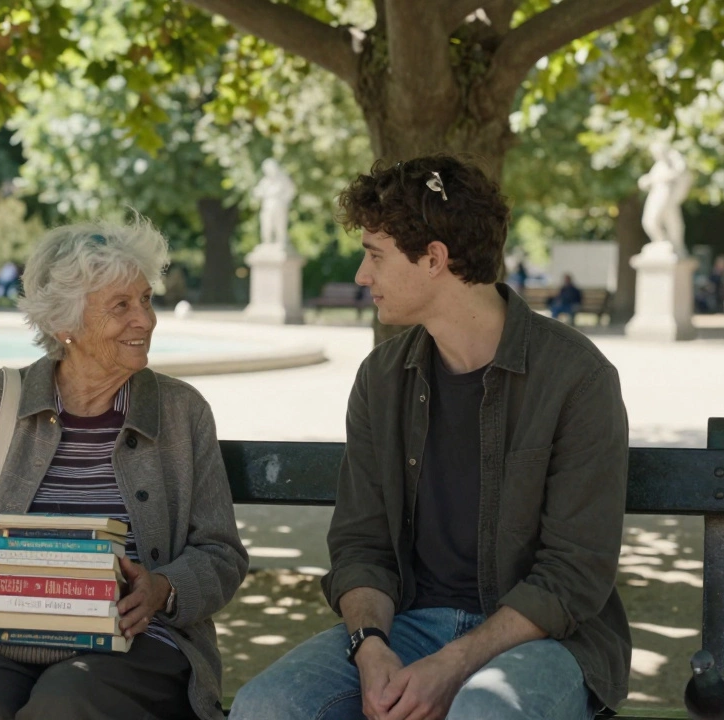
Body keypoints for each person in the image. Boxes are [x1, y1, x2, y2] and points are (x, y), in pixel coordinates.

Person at [231, 154, 631, 720]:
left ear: (434, 259)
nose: (361, 276)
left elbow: (573, 574)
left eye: (375, 256)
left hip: (544, 641)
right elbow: (361, 545)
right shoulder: (381, 378)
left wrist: (454, 665)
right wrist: (369, 647)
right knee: (265, 708)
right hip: (405, 625)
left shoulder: (576, 377)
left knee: (483, 711)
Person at [0, 219, 249, 720]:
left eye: (147, 299)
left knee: (66, 707)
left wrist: (163, 589)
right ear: (65, 325)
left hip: (137, 636)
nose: (146, 320)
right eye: (121, 306)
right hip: (0, 631)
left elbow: (221, 553)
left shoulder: (181, 410)